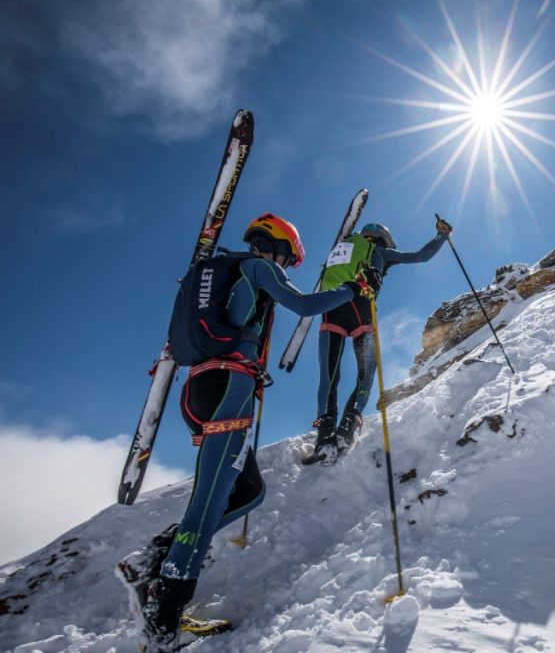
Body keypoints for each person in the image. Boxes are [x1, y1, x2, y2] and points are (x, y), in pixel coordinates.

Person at [117, 213, 367, 652]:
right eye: (288, 259)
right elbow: (304, 305)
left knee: (248, 491)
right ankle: (162, 625)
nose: (286, 267)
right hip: (229, 386)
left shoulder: (225, 273)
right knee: (206, 505)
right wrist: (351, 289)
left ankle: (154, 559)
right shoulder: (258, 266)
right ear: (279, 247)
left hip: (203, 388)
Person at [311, 216, 452, 464]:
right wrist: (442, 235)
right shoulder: (379, 251)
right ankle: (347, 428)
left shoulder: (342, 250)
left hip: (330, 307)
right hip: (360, 309)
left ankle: (324, 437)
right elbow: (421, 256)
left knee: (328, 376)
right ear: (382, 239)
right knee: (366, 373)